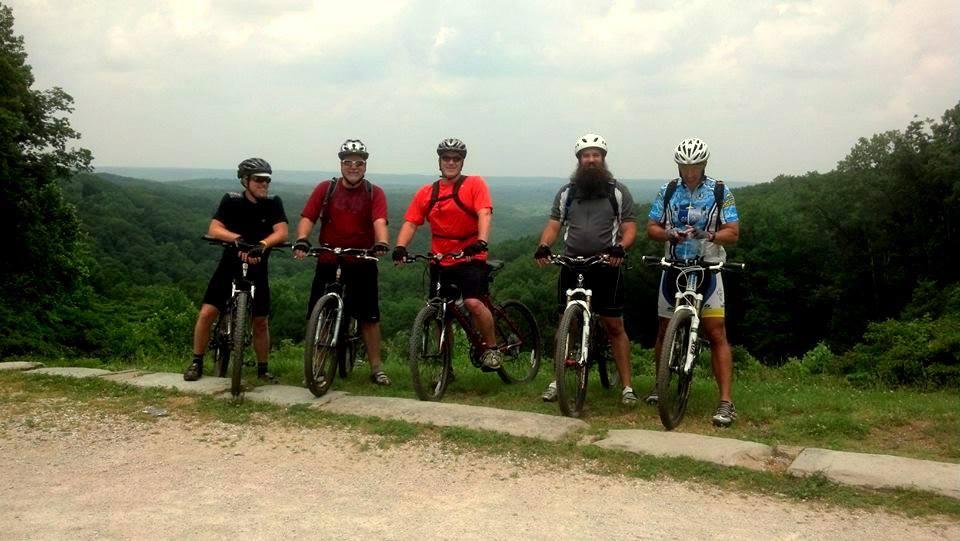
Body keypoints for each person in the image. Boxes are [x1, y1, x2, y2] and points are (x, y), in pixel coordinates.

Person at [535, 133, 639, 405]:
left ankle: (627, 386)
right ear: (579, 160)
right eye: (586, 155)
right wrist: (544, 245)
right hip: (572, 263)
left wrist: (620, 248)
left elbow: (629, 228)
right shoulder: (567, 192)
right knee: (565, 324)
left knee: (614, 325)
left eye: (596, 155)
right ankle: (558, 379)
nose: (591, 160)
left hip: (606, 265)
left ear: (603, 159)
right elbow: (554, 225)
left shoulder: (617, 191)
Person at [646, 137, 741, 427]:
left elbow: (733, 232)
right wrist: (668, 235)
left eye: (695, 166)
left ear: (704, 164)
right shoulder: (668, 190)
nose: (689, 172)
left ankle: (725, 402)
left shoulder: (720, 191)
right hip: (674, 266)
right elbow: (652, 227)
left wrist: (710, 235)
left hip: (708, 269)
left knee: (715, 333)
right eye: (685, 166)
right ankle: (660, 384)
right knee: (663, 330)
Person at [392, 138, 500, 369]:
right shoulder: (427, 193)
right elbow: (411, 223)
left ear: (462, 162)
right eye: (446, 158)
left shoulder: (474, 184)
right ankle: (446, 365)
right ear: (439, 162)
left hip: (470, 256)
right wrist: (400, 247)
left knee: (472, 302)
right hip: (441, 259)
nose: (451, 162)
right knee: (440, 312)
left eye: (456, 159)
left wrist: (481, 241)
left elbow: (484, 213)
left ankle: (491, 349)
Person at [293, 139, 392, 386]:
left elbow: (380, 221)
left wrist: (381, 243)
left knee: (369, 317)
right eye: (348, 162)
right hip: (329, 258)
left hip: (361, 261)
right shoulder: (326, 188)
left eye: (359, 163)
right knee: (319, 314)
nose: (353, 167)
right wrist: (303, 239)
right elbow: (308, 217)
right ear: (341, 164)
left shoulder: (373, 192)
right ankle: (316, 364)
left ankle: (376, 367)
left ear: (365, 166)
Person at [184, 158, 289, 381]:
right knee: (207, 313)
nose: (264, 184)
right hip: (229, 267)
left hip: (258, 268)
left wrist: (262, 245)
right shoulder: (231, 201)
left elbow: (281, 232)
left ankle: (262, 369)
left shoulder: (273, 203)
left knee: (260, 322)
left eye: (267, 180)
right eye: (259, 179)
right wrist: (237, 239)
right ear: (245, 181)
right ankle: (196, 362)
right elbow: (214, 228)